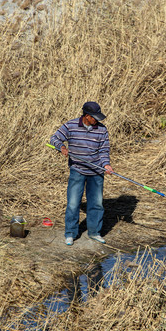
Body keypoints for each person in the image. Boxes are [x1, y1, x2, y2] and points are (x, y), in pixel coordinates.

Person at [50, 101, 113, 246]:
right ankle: (71, 233)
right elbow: (54, 138)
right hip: (77, 170)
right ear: (86, 116)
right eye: (94, 117)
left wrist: (106, 164)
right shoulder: (70, 126)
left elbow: (104, 151)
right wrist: (61, 147)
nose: (97, 120)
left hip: (96, 171)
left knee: (96, 204)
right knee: (73, 203)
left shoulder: (102, 130)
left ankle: (94, 232)